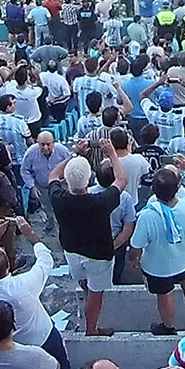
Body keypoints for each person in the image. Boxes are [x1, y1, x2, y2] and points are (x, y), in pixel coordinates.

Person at [0, 215, 73, 369]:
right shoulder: (22, 285)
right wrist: (30, 234)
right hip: (40, 337)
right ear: (8, 267)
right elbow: (46, 261)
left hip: (8, 341)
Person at [48, 142, 129, 336]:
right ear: (89, 179)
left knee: (84, 281)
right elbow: (122, 179)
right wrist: (112, 154)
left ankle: (87, 295)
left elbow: (52, 176)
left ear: (67, 180)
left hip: (72, 249)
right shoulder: (100, 202)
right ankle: (92, 328)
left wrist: (73, 154)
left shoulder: (59, 198)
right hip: (98, 254)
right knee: (96, 292)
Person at [129, 159, 185, 336]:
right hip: (184, 259)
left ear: (152, 189)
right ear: (178, 188)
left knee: (164, 294)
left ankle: (168, 327)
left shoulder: (147, 216)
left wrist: (134, 258)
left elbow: (136, 245)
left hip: (157, 267)